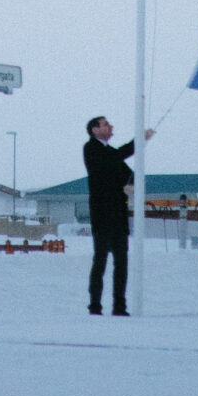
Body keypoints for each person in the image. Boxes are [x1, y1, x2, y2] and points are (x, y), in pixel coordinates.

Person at [83, 115, 149, 315]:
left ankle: (119, 306)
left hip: (119, 215)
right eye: (105, 124)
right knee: (100, 261)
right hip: (102, 215)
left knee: (121, 262)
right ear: (95, 130)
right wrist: (139, 141)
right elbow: (113, 159)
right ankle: (95, 306)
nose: (110, 126)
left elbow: (129, 173)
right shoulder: (91, 149)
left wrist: (129, 184)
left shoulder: (112, 154)